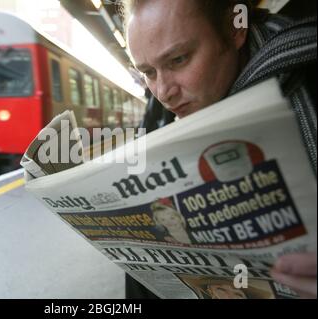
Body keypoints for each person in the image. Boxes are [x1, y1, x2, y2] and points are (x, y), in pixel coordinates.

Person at [122, 0, 317, 298]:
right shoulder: (157, 117)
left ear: (235, 30)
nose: (163, 92)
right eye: (148, 72)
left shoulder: (308, 74)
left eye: (178, 60)